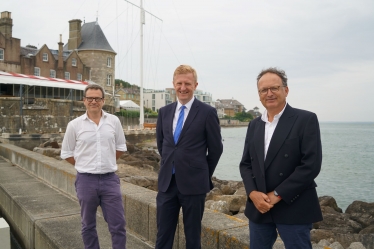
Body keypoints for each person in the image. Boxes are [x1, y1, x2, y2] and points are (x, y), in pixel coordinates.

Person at [239, 67, 323, 249]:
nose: (269, 93)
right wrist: (252, 193)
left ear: (286, 90)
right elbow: (246, 164)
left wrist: (277, 195)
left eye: (274, 88)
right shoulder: (254, 125)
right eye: (263, 90)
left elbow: (311, 165)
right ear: (259, 94)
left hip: (294, 206)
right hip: (260, 207)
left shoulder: (305, 119)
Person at [155, 65, 223, 249]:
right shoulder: (164, 112)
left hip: (194, 185)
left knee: (193, 236)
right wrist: (171, 164)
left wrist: (202, 173)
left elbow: (216, 149)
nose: (183, 87)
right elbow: (162, 145)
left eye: (187, 83)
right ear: (173, 84)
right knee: (163, 235)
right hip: (167, 183)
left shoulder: (208, 112)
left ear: (195, 85)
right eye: (179, 83)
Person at [61, 84, 127, 249]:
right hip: (85, 180)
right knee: (88, 225)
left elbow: (120, 147)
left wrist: (107, 161)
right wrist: (83, 164)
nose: (93, 101)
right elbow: (66, 152)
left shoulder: (114, 121)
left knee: (118, 225)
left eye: (97, 98)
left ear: (103, 101)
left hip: (110, 180)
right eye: (90, 98)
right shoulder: (74, 125)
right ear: (84, 101)